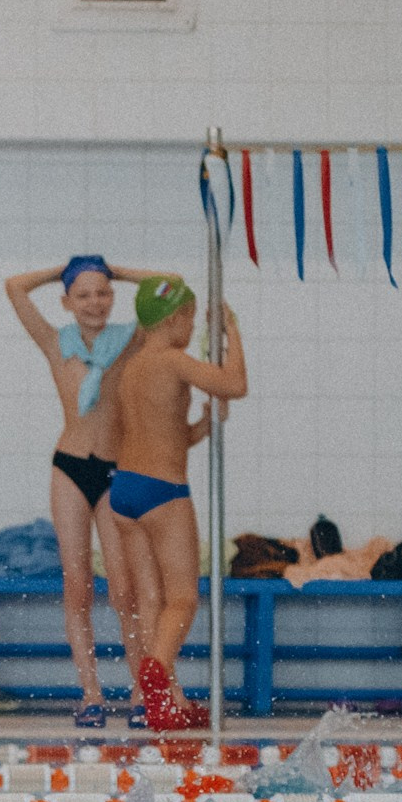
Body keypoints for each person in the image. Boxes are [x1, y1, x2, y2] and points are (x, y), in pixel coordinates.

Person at [3, 255, 173, 728]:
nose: (95, 303)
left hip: (117, 470)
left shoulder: (131, 340)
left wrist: (118, 269)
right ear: (66, 302)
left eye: (102, 293)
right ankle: (91, 694)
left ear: (113, 296)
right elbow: (15, 285)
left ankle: (142, 691)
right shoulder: (56, 343)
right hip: (70, 468)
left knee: (125, 589)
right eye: (83, 295)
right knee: (77, 586)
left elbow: (168, 284)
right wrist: (62, 267)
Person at [109, 275, 246, 731]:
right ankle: (155, 678)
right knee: (184, 600)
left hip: (124, 491)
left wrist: (206, 425)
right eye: (189, 317)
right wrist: (231, 333)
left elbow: (170, 437)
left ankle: (163, 700)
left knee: (153, 600)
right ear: (176, 318)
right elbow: (235, 383)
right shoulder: (173, 360)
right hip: (163, 493)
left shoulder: (132, 369)